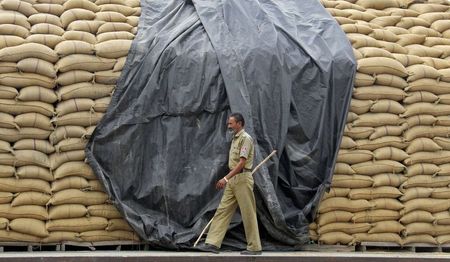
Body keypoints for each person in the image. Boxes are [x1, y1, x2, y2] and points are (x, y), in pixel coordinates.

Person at [199, 113, 262, 255]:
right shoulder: (235, 139)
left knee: (248, 213)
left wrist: (225, 179)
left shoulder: (245, 139)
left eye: (231, 123)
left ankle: (254, 247)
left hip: (242, 179)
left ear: (239, 123)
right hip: (234, 180)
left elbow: (242, 163)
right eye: (229, 123)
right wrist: (229, 179)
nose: (229, 126)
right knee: (223, 210)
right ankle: (213, 244)